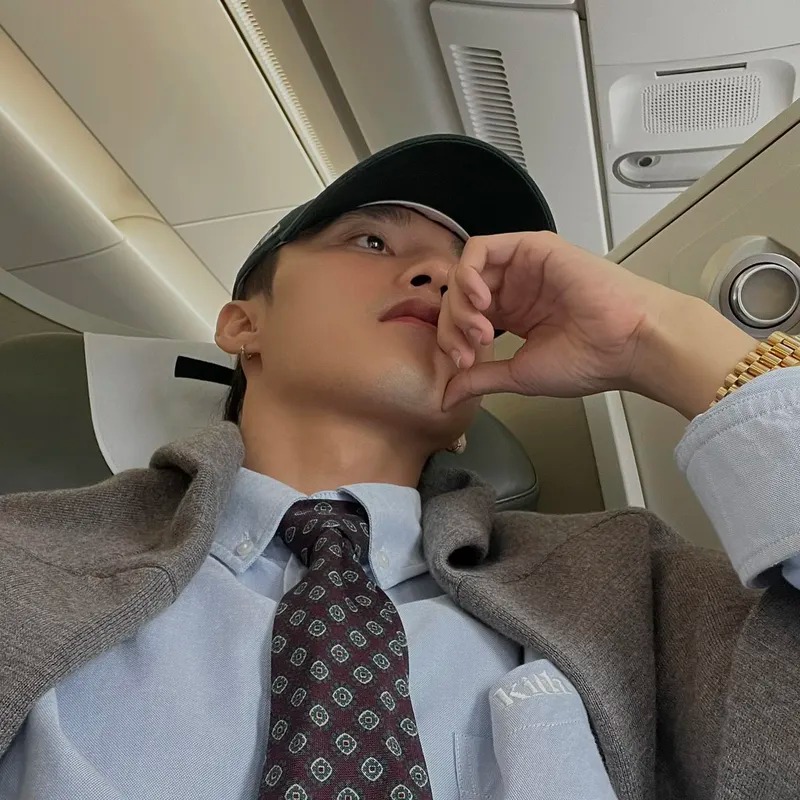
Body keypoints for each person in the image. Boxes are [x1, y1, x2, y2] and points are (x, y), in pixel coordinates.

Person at [1, 133, 798, 800]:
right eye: (372, 241)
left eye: (466, 273)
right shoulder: (23, 554)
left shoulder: (624, 581)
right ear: (244, 325)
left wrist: (659, 338)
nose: (442, 276)